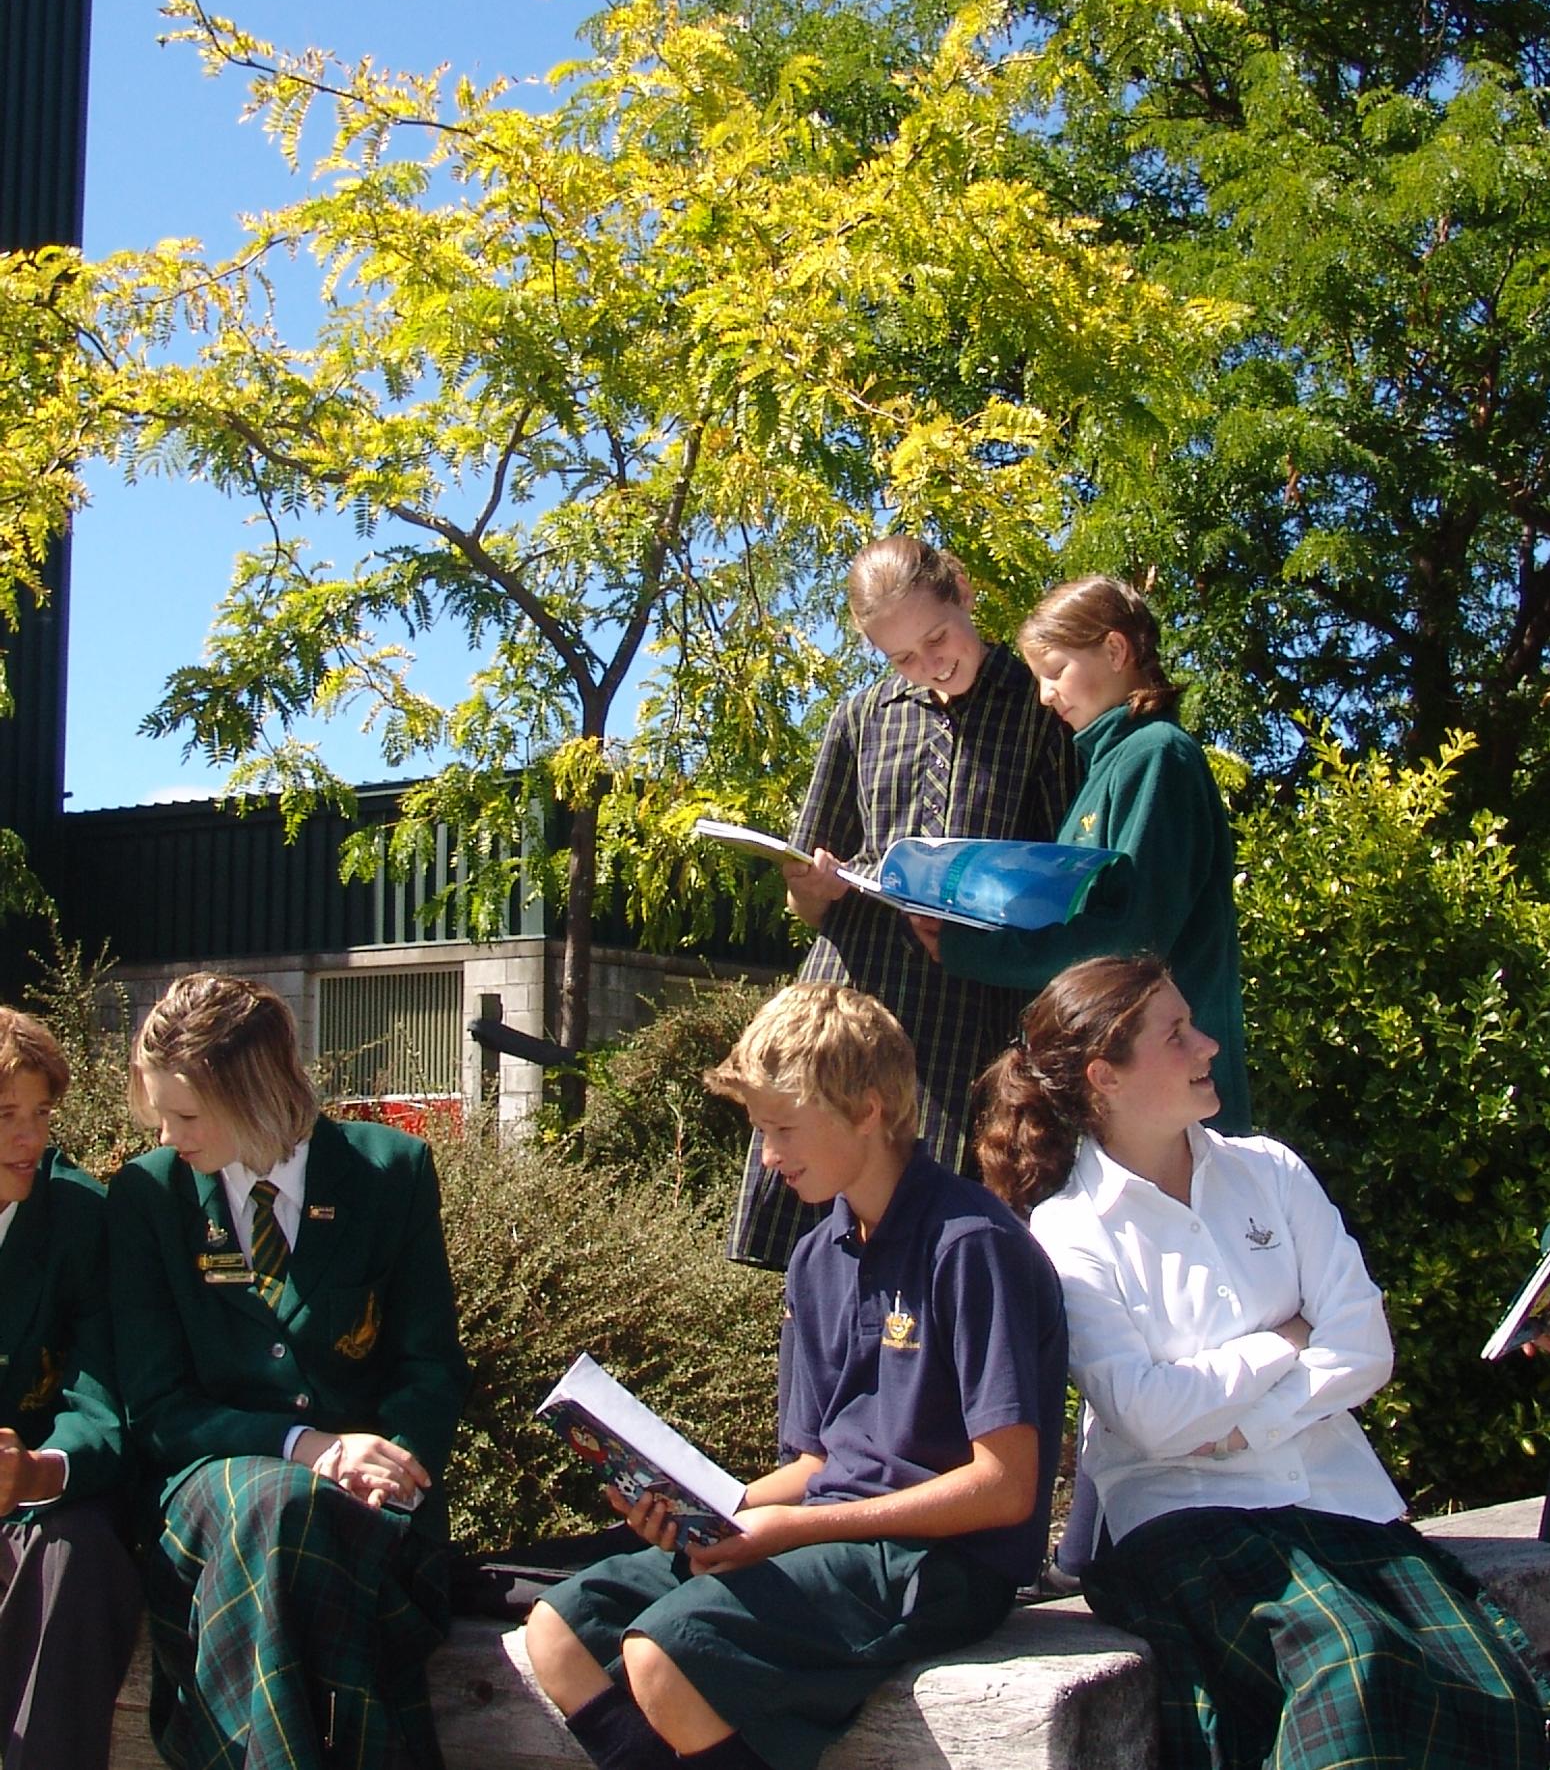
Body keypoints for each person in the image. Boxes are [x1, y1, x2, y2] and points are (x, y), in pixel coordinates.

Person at [977, 953, 1549, 1770]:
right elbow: (1149, 1414)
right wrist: (1280, 1340)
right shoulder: (1072, 1230)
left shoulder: (1272, 1172)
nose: (1208, 1044)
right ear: (1105, 1076)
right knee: (1352, 1662)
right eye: (1176, 1033)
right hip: (1188, 1523)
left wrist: (1245, 1424)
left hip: (1344, 1505)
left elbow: (1364, 1344)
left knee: (1486, 1684)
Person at [527, 982, 1068, 1770]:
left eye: (782, 1128)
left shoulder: (972, 1243)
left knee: (667, 1651)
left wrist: (795, 1528)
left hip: (941, 1564)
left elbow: (1006, 1486)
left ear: (871, 1108)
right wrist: (706, 1510)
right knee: (562, 1628)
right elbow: (816, 1466)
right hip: (829, 1538)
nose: (769, 1156)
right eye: (760, 1130)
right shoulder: (816, 1258)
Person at [107, 972, 471, 1770]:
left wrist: (395, 1473)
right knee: (278, 1509)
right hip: (211, 1500)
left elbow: (430, 1364)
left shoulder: (392, 1171)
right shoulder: (149, 1195)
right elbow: (158, 1408)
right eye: (158, 1113)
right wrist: (308, 1445)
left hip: (369, 1510)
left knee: (302, 1529)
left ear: (259, 1091)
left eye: (189, 1114)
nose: (170, 1135)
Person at [731, 534, 1073, 1270]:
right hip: (852, 1003)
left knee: (946, 1253)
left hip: (967, 1018)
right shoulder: (859, 717)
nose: (928, 666)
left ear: (964, 591)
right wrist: (812, 886)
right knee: (827, 1257)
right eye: (900, 658)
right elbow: (807, 900)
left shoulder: (1040, 711)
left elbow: (1064, 886)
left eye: (937, 638)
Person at [920, 574, 1249, 1136]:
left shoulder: (1157, 755)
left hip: (1170, 1092)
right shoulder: (1109, 766)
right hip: (1123, 1088)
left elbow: (1128, 945)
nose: (1046, 696)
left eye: (1055, 672)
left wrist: (975, 953)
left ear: (1116, 650)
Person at [0, 1006, 140, 1770]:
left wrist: (38, 1470)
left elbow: (104, 1398)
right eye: (6, 1116)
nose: (31, 1138)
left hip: (46, 1501)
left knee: (76, 1554)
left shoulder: (80, 1215)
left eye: (42, 1113)